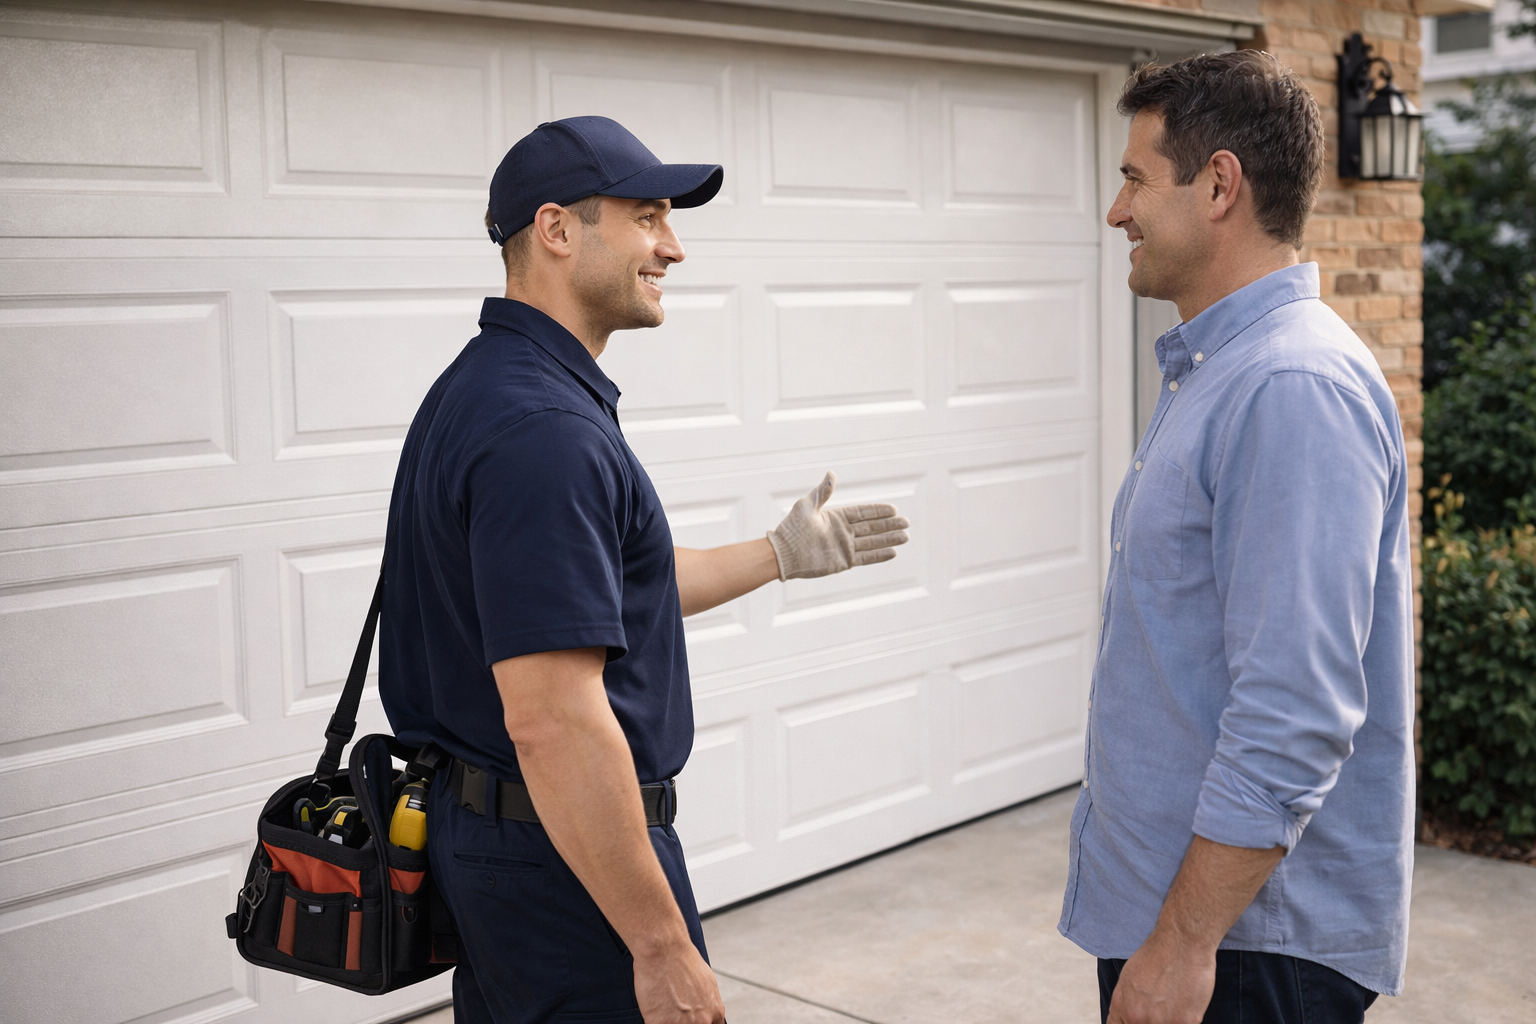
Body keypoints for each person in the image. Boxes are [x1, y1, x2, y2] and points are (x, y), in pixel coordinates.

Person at [379, 116, 910, 1024]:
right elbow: (552, 719)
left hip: (514, 842)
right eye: (648, 217)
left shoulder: (488, 385)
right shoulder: (542, 433)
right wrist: (661, 947)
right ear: (556, 230)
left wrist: (778, 556)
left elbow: (615, 595)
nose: (674, 246)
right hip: (565, 855)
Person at [1059, 51, 1415, 1024]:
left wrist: (1181, 945)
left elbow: (1295, 707)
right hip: (1204, 934)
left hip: (1243, 952)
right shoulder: (1221, 372)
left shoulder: (1287, 388)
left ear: (1218, 185)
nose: (1116, 210)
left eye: (1134, 178)